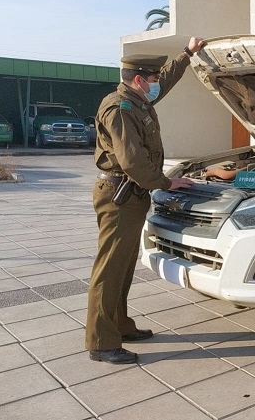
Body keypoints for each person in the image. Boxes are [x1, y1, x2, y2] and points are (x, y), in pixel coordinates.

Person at [85, 36, 206, 364]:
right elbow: (133, 161)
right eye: (151, 80)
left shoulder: (137, 99)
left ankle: (120, 325)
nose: (156, 84)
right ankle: (101, 341)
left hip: (131, 196)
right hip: (119, 197)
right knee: (110, 269)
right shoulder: (120, 108)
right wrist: (166, 182)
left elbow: (164, 79)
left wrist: (187, 54)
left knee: (123, 267)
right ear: (138, 80)